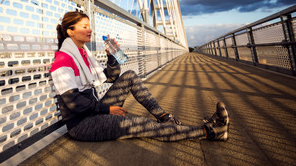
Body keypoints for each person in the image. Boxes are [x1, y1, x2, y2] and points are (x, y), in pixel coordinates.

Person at [50, 11, 230, 142]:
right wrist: (108, 110)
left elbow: (112, 76)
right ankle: (211, 131)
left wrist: (112, 55)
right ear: (70, 31)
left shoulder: (83, 55)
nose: (90, 30)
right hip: (82, 125)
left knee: (129, 76)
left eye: (90, 26)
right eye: (84, 27)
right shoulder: (63, 60)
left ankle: (165, 117)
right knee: (143, 125)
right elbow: (74, 103)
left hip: (93, 111)